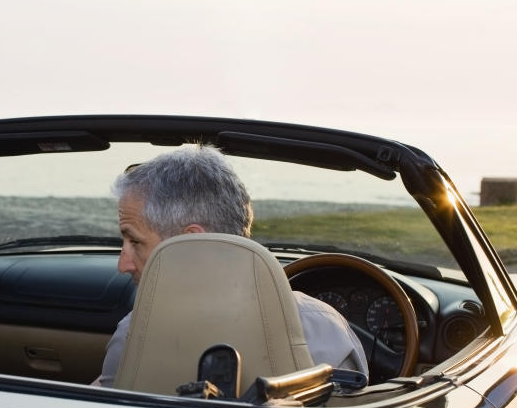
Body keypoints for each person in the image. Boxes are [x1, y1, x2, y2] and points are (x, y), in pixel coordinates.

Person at [93, 145, 369, 388]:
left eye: (134, 242)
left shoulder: (136, 333)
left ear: (191, 245)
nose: (123, 264)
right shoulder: (323, 327)